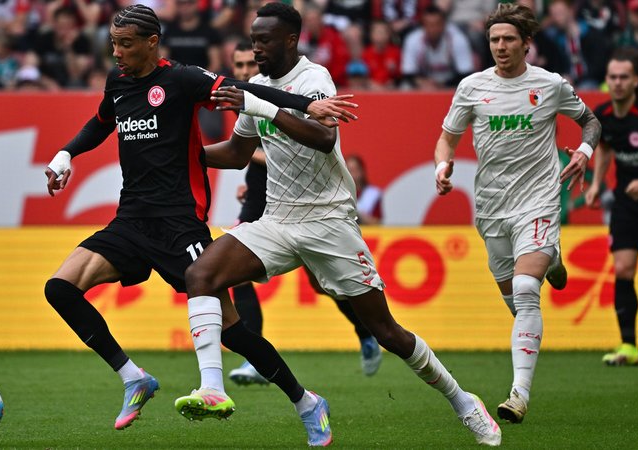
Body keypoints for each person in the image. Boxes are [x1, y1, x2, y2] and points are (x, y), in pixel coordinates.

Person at [183, 3, 502, 446]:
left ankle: (464, 401)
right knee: (200, 275)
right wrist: (182, 155)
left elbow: (324, 137)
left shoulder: (313, 80)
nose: (256, 48)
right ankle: (213, 389)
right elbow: (238, 155)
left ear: (291, 39)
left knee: (385, 331)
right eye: (253, 39)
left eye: (265, 40)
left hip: (329, 220)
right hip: (278, 217)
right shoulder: (255, 86)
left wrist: (261, 105)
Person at [42, 3, 357, 434]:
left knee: (233, 332)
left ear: (152, 43)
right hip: (130, 220)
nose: (116, 52)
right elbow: (100, 123)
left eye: (126, 44)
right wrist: (66, 154)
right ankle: (133, 377)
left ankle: (306, 402)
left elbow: (247, 92)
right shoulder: (117, 83)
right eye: (113, 43)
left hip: (180, 224)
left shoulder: (183, 79)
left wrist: (308, 105)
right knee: (59, 288)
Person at [434, 3, 601, 424]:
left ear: (527, 43)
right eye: (494, 40)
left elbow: (591, 122)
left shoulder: (550, 84)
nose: (501, 46)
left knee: (527, 288)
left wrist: (583, 151)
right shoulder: (471, 87)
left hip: (539, 200)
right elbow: (447, 139)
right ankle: (554, 257)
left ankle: (518, 395)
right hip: (492, 208)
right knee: (515, 300)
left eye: (509, 39)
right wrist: (443, 164)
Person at [225, 41, 383, 387]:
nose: (242, 72)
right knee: (233, 275)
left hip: (309, 203)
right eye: (237, 66)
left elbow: (294, 145)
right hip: (262, 198)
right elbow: (245, 149)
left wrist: (253, 158)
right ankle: (255, 359)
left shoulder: (287, 91)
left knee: (320, 282)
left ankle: (366, 329)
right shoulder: (248, 103)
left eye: (248, 64)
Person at [585, 48, 638, 367]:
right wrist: (597, 183)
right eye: (613, 77)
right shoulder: (604, 115)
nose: (618, 83)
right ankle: (629, 346)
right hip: (627, 204)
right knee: (623, 269)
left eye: (625, 77)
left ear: (636, 81)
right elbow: (606, 150)